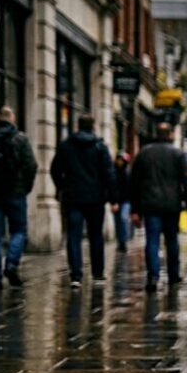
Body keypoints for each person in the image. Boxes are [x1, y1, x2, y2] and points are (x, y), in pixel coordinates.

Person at [130, 123, 187, 292]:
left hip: (150, 205)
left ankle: (153, 276)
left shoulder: (144, 153)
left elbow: (134, 183)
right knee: (171, 241)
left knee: (152, 240)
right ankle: (173, 275)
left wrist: (135, 210)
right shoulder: (177, 154)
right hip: (171, 205)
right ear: (170, 135)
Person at [50, 115, 116, 288]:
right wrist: (112, 197)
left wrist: (62, 187)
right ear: (93, 126)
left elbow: (55, 170)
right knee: (96, 235)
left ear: (77, 126)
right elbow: (109, 174)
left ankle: (76, 275)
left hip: (73, 198)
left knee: (74, 236)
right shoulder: (100, 147)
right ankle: (98, 273)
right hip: (95, 198)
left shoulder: (66, 146)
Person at [0, 106, 37, 293]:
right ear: (12, 118)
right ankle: (11, 264)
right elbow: (31, 165)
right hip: (15, 193)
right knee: (19, 230)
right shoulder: (20, 139)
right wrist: (25, 188)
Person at [112, 151, 133, 252]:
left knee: (123, 219)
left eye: (122, 160)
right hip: (116, 201)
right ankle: (120, 242)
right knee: (117, 222)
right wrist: (113, 201)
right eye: (119, 160)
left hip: (126, 201)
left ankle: (123, 241)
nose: (120, 162)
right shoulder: (113, 172)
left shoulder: (128, 172)